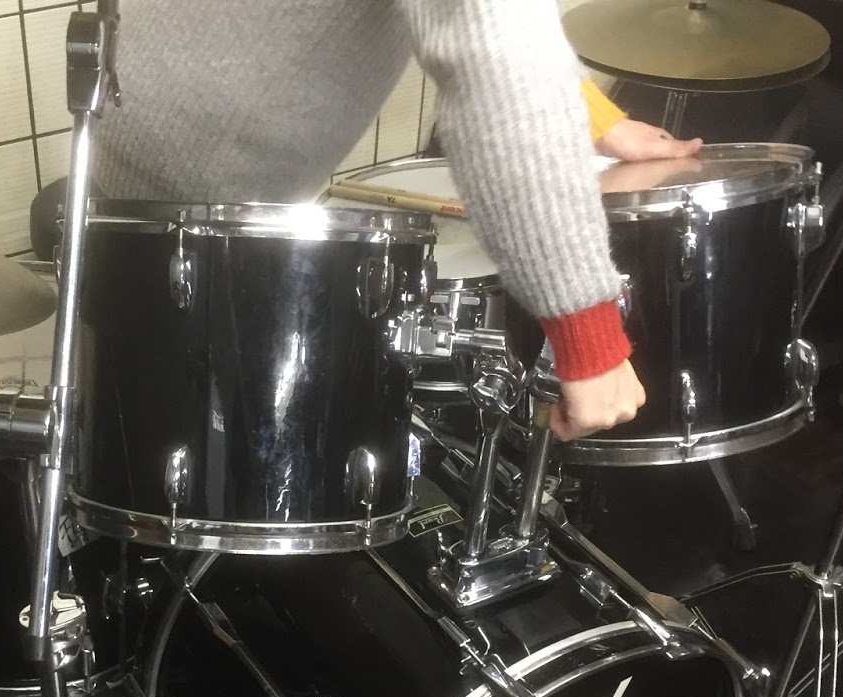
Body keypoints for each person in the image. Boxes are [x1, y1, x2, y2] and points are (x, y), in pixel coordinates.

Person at [86, 0, 698, 442]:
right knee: (178, 459)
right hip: (180, 210)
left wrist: (590, 115)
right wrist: (586, 332)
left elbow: (495, 23)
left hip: (156, 151)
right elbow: (498, 63)